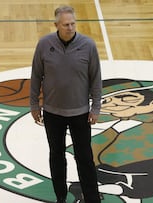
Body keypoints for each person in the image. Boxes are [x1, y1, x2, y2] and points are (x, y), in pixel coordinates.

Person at [30, 5, 102, 203]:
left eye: (72, 23)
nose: (70, 27)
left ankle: (92, 198)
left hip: (80, 112)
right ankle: (60, 197)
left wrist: (96, 107)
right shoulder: (44, 44)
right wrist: (34, 105)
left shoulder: (88, 45)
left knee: (85, 158)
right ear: (56, 25)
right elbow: (36, 75)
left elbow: (96, 78)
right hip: (53, 113)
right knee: (57, 157)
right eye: (65, 24)